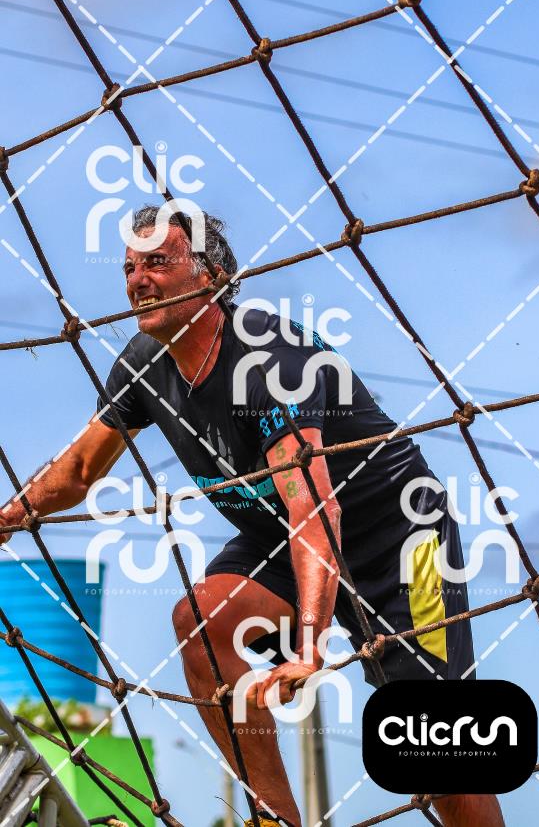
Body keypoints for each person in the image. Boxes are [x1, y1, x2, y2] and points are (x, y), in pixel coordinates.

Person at [0, 206, 504, 827]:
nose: (137, 280)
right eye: (129, 267)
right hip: (282, 539)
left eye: (158, 262)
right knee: (202, 621)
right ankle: (275, 820)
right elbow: (79, 471)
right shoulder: (143, 364)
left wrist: (309, 647)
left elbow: (313, 506)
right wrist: (9, 516)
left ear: (211, 276)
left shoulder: (270, 358)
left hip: (396, 536)